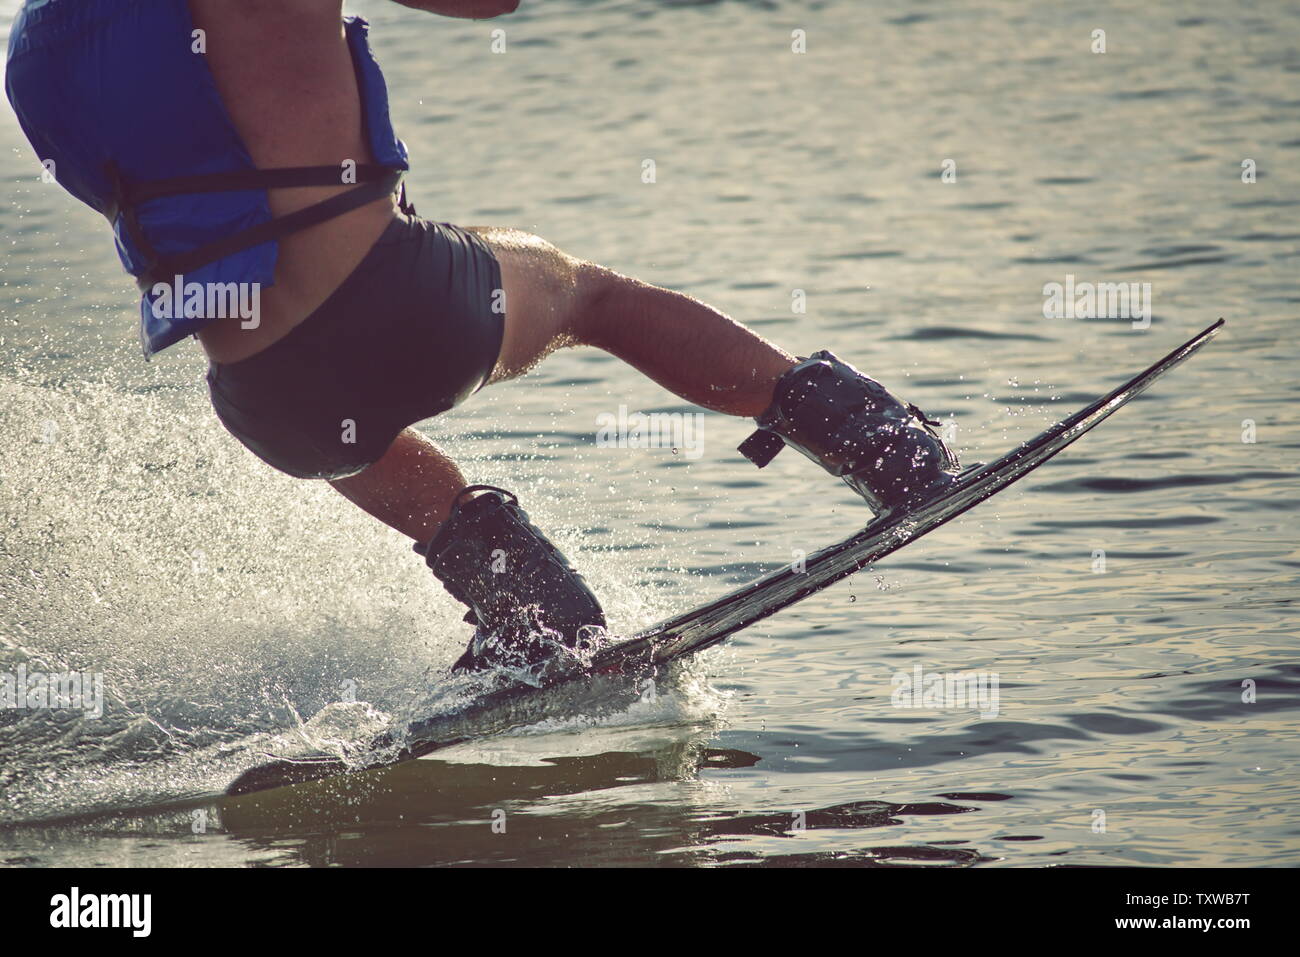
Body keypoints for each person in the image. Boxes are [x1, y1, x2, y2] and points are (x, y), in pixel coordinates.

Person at [5, 0, 962, 673]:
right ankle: (881, 443)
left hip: (260, 395)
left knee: (354, 443)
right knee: (588, 294)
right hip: (395, 306)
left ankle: (530, 605)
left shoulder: (38, 41)